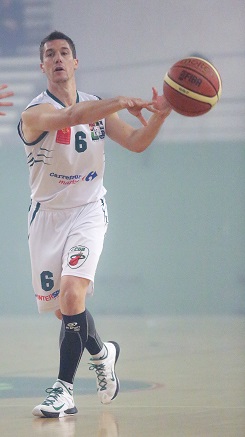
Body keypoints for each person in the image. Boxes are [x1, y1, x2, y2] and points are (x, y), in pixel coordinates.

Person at [17, 30, 172, 419]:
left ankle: (63, 390)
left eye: (64, 53)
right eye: (49, 54)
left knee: (72, 294)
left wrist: (160, 117)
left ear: (75, 63)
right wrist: (116, 101)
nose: (57, 58)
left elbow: (136, 141)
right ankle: (103, 355)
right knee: (66, 310)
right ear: (42, 67)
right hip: (46, 219)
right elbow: (70, 117)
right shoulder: (34, 113)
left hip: (88, 211)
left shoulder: (97, 108)